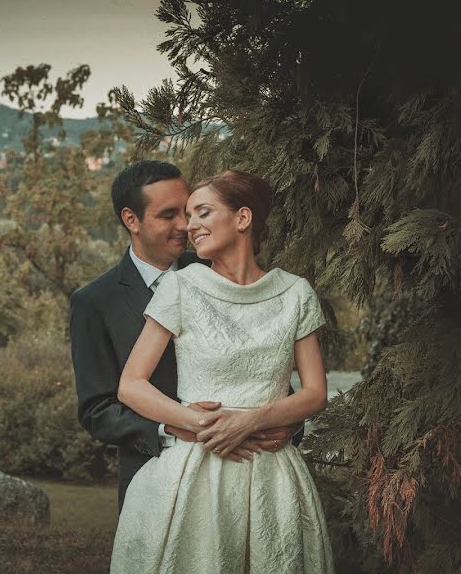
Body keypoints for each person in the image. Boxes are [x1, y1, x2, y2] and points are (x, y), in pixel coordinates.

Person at [111, 170, 335, 573]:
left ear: (242, 218)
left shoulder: (295, 292)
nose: (189, 226)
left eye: (202, 213)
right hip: (197, 471)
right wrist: (204, 424)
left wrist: (252, 420)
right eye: (186, 216)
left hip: (272, 477)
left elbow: (315, 393)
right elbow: (131, 385)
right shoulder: (181, 287)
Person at [70, 161, 298, 509]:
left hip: (251, 473)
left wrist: (287, 423)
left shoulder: (221, 271)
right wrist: (174, 427)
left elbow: (264, 363)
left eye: (189, 211)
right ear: (131, 220)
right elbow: (97, 409)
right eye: (168, 215)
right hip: (156, 482)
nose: (185, 226)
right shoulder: (95, 302)